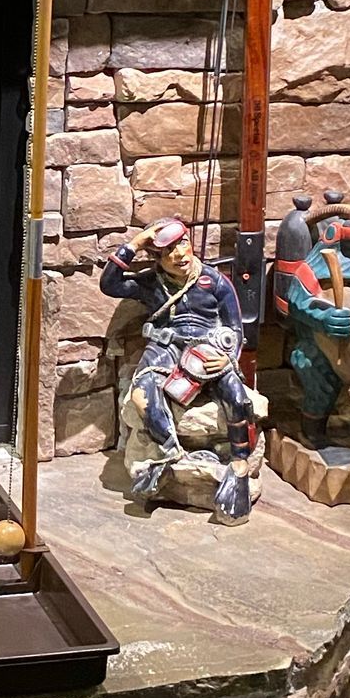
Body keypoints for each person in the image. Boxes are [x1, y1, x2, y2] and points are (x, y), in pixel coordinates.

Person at [101, 219, 260, 521]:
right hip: (165, 348)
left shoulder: (214, 282)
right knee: (142, 395)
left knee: (237, 399)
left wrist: (228, 359)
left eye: (182, 244)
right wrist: (135, 243)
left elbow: (234, 327)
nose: (179, 255)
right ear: (158, 258)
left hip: (208, 350)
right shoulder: (151, 282)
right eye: (169, 251)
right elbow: (110, 284)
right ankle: (169, 451)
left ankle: (239, 467)